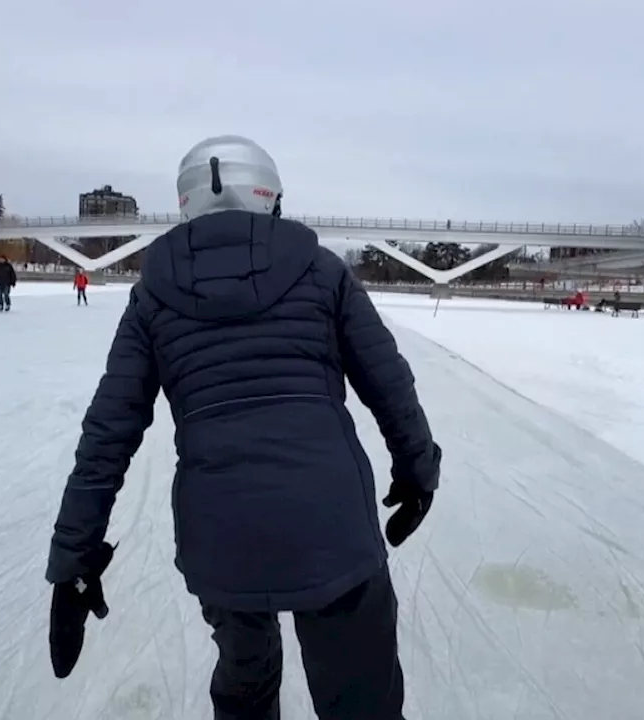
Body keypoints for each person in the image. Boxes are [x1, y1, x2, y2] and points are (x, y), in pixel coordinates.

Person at [44, 135, 440, 720]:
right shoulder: (322, 270)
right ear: (269, 197)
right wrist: (417, 469)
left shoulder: (152, 294)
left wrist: (73, 560)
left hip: (221, 537)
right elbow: (388, 381)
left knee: (245, 683)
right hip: (329, 524)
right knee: (362, 700)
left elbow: (107, 432)